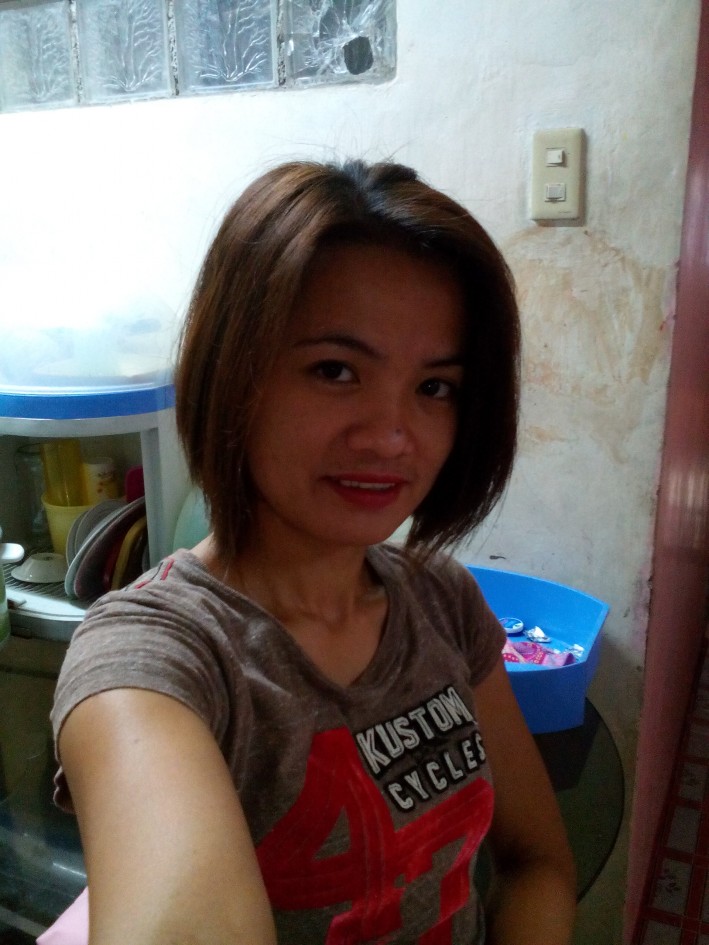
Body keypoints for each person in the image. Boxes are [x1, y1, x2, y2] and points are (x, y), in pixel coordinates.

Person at [49, 159, 576, 945]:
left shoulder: (441, 597)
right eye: (335, 371)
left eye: (434, 387)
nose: (391, 436)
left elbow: (537, 863)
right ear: (234, 375)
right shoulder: (158, 654)